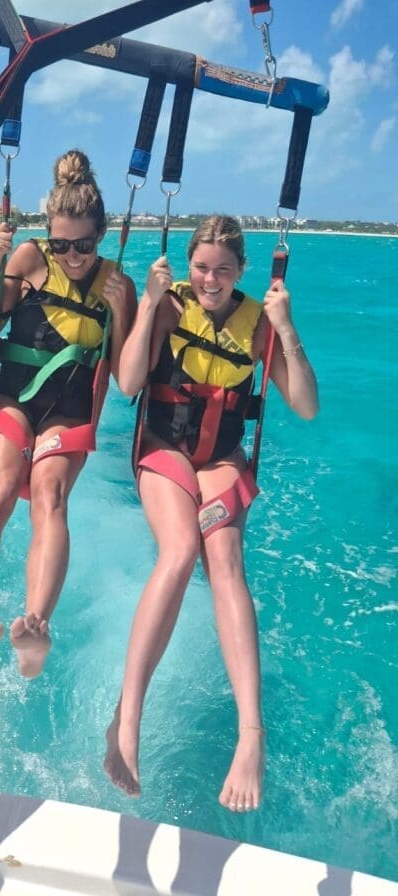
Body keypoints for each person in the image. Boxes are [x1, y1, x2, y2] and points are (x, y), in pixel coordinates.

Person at [104, 214, 318, 810]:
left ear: (242, 272)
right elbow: (125, 384)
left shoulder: (258, 323)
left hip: (220, 456)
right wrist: (147, 306)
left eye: (223, 270)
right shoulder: (171, 304)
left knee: (225, 560)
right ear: (189, 265)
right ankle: (129, 718)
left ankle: (252, 735)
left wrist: (285, 326)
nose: (211, 280)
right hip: (164, 450)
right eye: (201, 268)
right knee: (179, 552)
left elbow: (303, 405)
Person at [0, 149, 137, 678]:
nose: (73, 257)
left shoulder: (118, 283)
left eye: (85, 246)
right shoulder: (28, 258)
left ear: (102, 235)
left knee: (49, 496)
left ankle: (35, 625)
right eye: (62, 244)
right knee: (1, 487)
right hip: (12, 396)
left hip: (69, 410)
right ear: (48, 236)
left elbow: (127, 378)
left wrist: (124, 310)